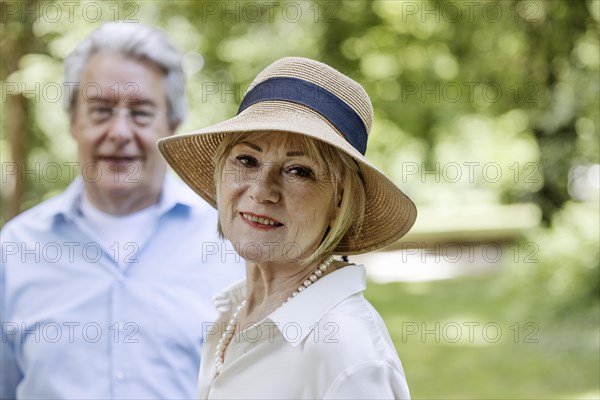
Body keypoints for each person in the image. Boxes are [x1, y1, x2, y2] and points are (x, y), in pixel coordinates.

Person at [0, 22, 243, 399]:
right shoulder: (13, 250)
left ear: (173, 125)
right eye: (100, 110)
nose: (119, 132)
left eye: (142, 112)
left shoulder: (232, 244)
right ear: (72, 121)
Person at [158, 56, 418, 399]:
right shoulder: (235, 313)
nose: (262, 190)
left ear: (340, 200)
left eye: (298, 170)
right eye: (247, 160)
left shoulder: (345, 351)